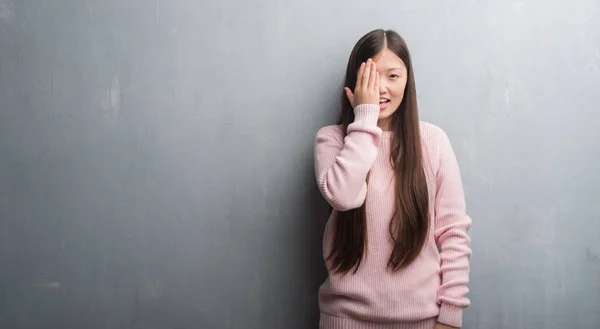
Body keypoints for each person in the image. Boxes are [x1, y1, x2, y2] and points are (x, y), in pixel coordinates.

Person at [313, 29, 472, 329]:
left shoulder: (433, 141)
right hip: (345, 319)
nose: (381, 88)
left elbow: (454, 234)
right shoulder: (331, 140)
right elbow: (344, 196)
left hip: (422, 321)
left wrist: (450, 318)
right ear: (354, 82)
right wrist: (364, 119)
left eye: (393, 76)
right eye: (371, 76)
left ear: (408, 80)